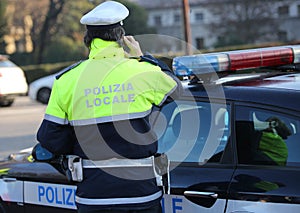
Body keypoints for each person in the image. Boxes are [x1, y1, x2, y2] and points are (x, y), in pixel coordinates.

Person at [36, 1, 181, 213]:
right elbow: (177, 89)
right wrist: (142, 57)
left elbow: (50, 138)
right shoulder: (142, 71)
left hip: (93, 196)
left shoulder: (66, 80)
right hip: (141, 195)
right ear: (122, 38)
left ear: (88, 40)